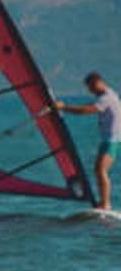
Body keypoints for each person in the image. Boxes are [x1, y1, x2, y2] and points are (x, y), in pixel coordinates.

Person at [56, 72, 121, 210]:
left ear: (97, 83)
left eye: (91, 88)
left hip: (112, 141)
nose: (91, 91)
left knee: (100, 169)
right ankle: (104, 203)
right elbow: (91, 104)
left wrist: (64, 107)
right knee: (99, 170)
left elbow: (86, 110)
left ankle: (105, 204)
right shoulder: (109, 93)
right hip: (110, 139)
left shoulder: (107, 97)